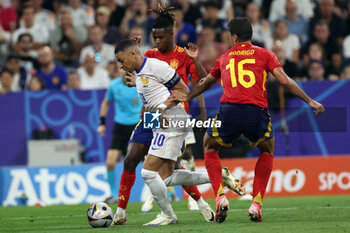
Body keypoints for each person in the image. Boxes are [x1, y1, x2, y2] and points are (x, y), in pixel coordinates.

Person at [172, 17, 325, 223]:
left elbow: (205, 83)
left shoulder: (224, 58)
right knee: (267, 150)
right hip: (256, 112)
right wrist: (310, 100)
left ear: (234, 37)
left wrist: (187, 96)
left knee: (209, 147)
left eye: (229, 35)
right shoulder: (265, 54)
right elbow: (284, 81)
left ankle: (220, 197)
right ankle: (256, 204)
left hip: (230, 112)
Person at [113, 5, 244, 224]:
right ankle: (122, 211)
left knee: (161, 170)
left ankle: (178, 209)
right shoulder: (149, 56)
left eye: (160, 37)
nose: (156, 41)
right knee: (136, 160)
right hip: (152, 116)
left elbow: (197, 85)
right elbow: (141, 80)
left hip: (173, 116)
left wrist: (195, 61)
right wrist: (132, 77)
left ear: (171, 34)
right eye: (153, 37)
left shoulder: (178, 57)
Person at [97, 64, 142, 204]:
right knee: (110, 162)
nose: (125, 70)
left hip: (138, 125)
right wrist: (102, 123)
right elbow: (105, 103)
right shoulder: (113, 85)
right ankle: (112, 194)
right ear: (118, 70)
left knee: (152, 163)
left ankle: (169, 192)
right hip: (120, 128)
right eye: (121, 68)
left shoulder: (140, 83)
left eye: (127, 67)